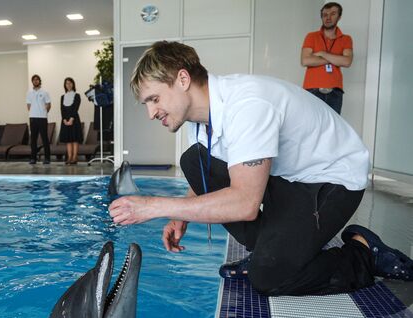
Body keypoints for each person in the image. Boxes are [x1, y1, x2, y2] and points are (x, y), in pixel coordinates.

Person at [108, 41, 413, 297]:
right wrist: (180, 213)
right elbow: (217, 174)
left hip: (332, 179)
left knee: (268, 278)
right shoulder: (202, 120)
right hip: (290, 179)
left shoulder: (248, 104)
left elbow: (244, 203)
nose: (151, 113)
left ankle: (363, 253)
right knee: (194, 160)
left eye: (154, 99)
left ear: (183, 79)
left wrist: (153, 206)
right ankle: (271, 251)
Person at [301, 2, 353, 114]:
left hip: (335, 91)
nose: (328, 17)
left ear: (339, 17)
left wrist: (322, 53)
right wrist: (337, 59)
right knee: (311, 125)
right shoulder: (311, 36)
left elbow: (347, 61)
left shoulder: (346, 39)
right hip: (312, 90)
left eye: (333, 14)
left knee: (333, 127)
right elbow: (305, 60)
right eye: (325, 15)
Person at [26, 74, 51, 165]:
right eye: (34, 80)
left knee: (45, 138)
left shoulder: (45, 92)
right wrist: (33, 112)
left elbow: (48, 104)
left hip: (42, 118)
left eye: (37, 80)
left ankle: (47, 158)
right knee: (33, 139)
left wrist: (43, 112)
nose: (35, 81)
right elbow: (28, 105)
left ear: (40, 81)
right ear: (32, 81)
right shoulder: (29, 92)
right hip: (33, 118)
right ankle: (33, 158)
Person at [59, 77, 82, 165]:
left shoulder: (77, 95)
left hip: (74, 119)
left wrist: (71, 119)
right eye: (66, 83)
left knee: (74, 139)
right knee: (68, 140)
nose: (68, 85)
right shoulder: (62, 97)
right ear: (65, 85)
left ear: (73, 84)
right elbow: (62, 109)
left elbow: (75, 108)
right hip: (65, 120)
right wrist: (64, 119)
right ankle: (69, 157)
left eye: (70, 83)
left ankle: (74, 157)